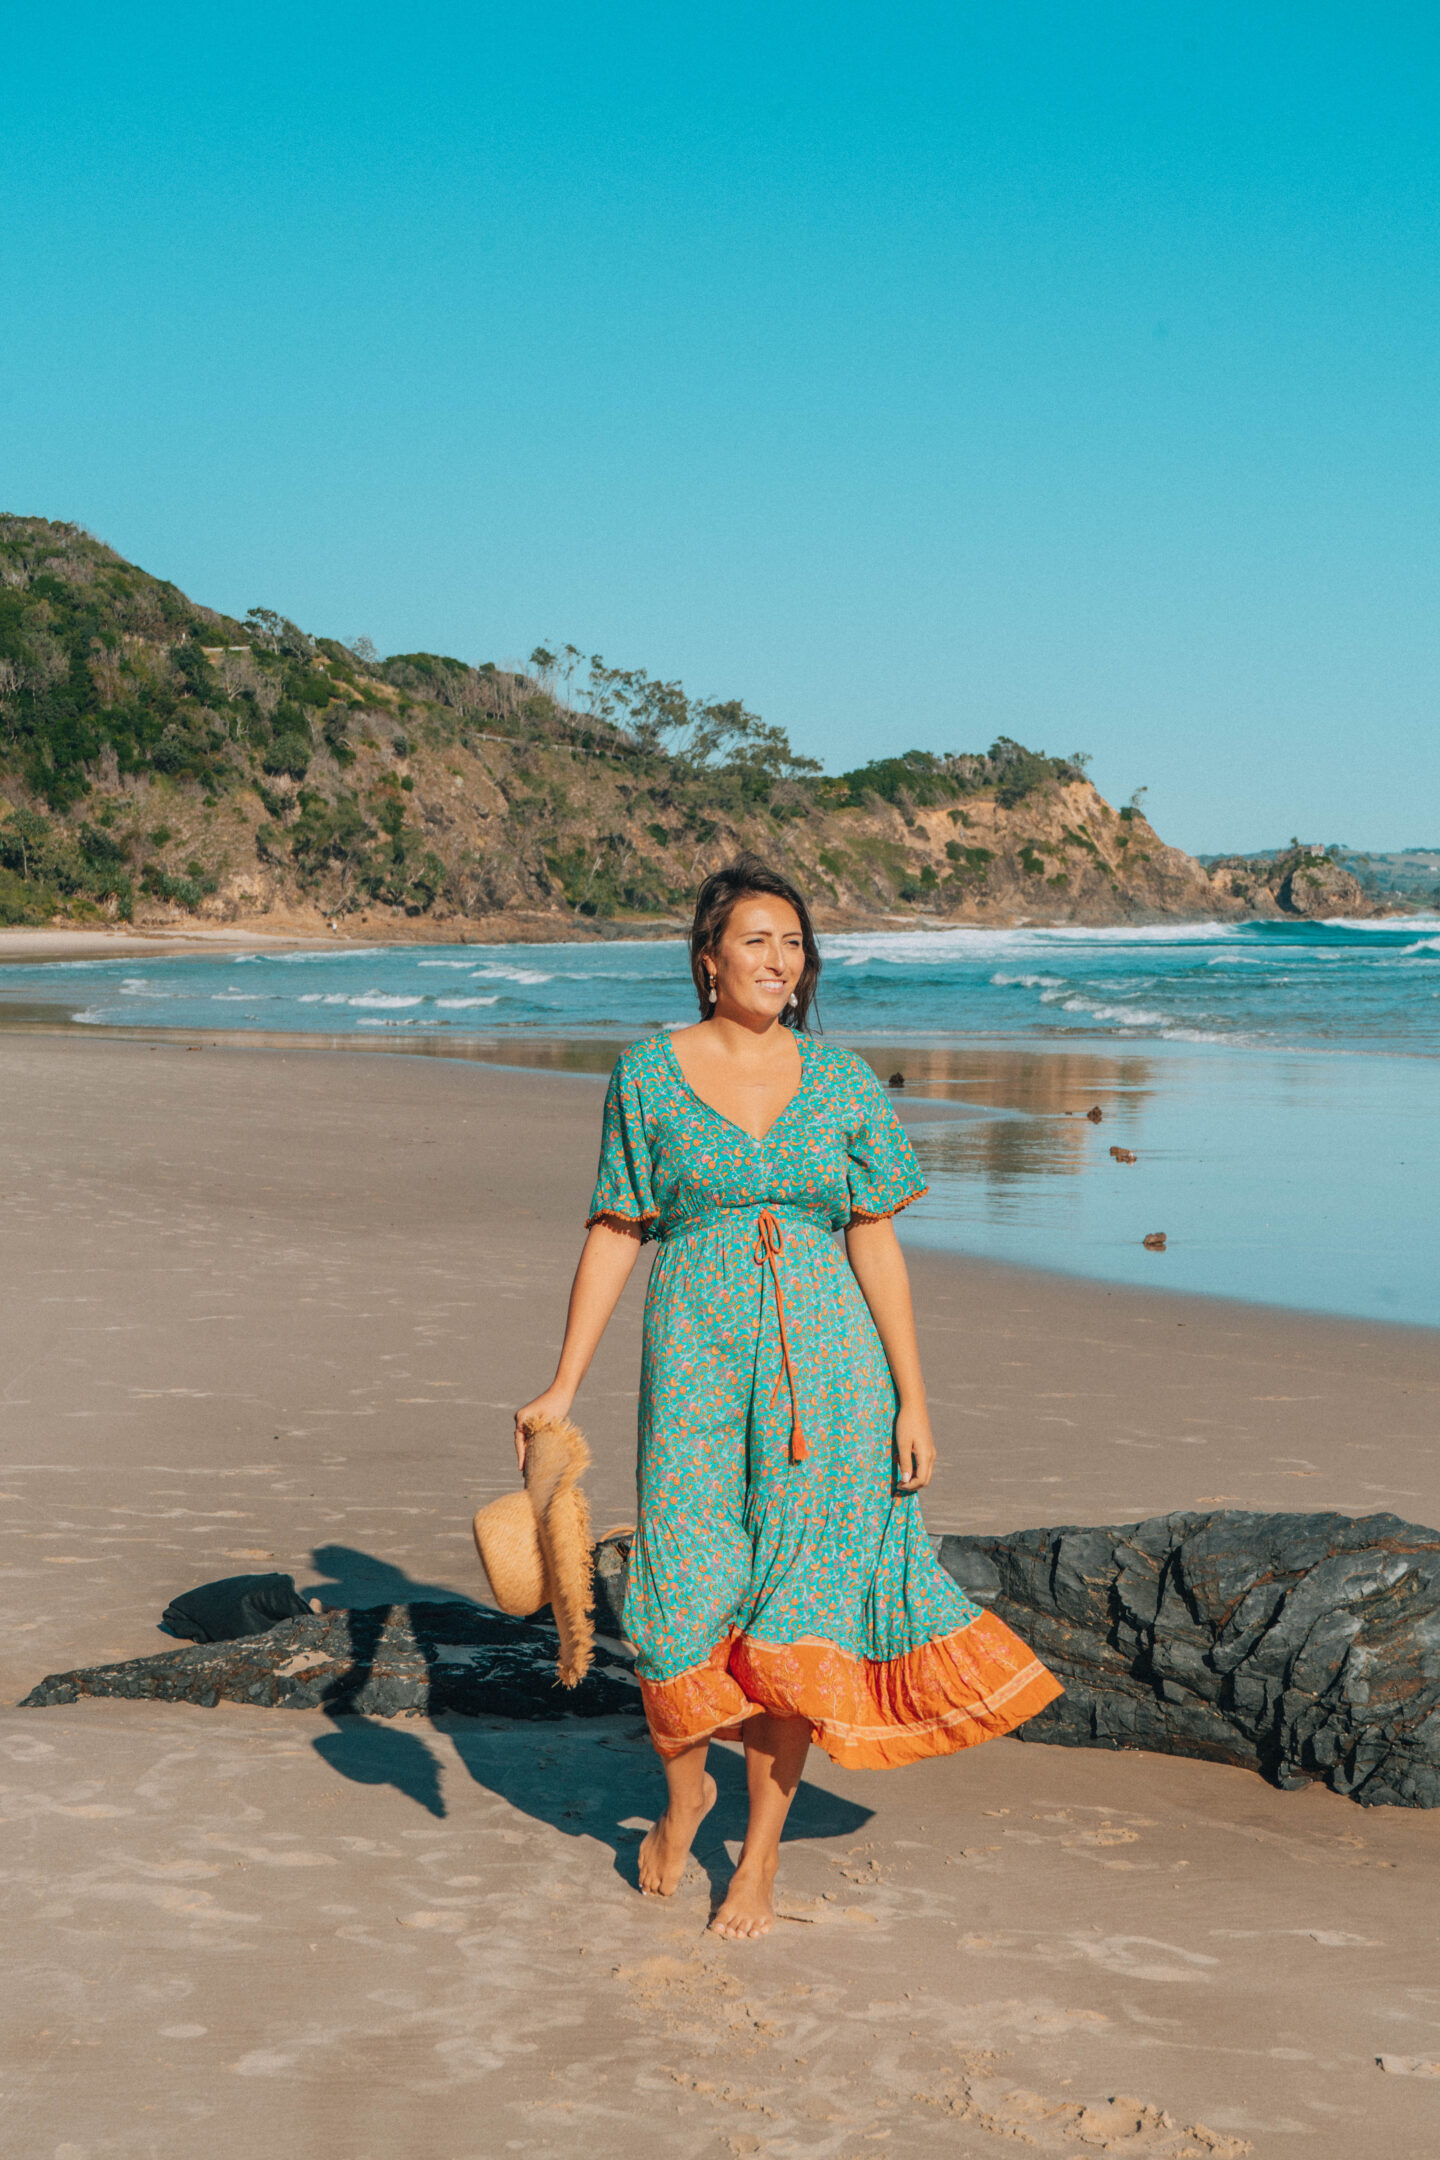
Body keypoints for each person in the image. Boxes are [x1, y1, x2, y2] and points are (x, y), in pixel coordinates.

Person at [515, 855, 1060, 1939]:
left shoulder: (846, 1081)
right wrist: (563, 1381)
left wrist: (913, 1396)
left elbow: (876, 1238)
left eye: (795, 944)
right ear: (708, 960)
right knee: (674, 1603)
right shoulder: (647, 1074)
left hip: (833, 1380)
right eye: (758, 940)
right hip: (697, 1369)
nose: (781, 960)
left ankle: (758, 1861)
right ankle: (686, 1797)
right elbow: (617, 1228)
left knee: (796, 1623)